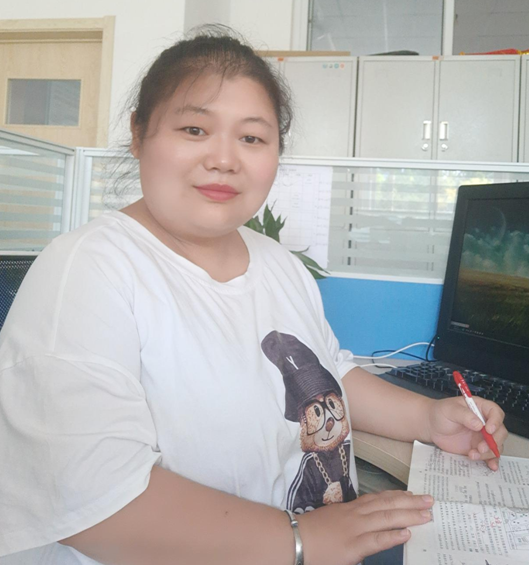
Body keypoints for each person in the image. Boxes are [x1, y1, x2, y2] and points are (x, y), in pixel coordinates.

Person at [0, 26, 507, 565]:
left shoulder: (277, 263)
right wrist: (301, 540)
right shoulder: (88, 271)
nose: (224, 159)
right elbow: (94, 505)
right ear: (138, 133)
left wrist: (428, 419)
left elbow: (328, 373)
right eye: (194, 129)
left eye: (252, 138)